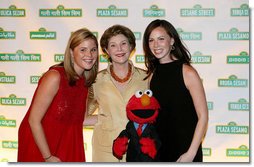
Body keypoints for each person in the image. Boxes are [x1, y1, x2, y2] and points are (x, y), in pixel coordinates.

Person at [17, 27, 99, 162]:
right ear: (72, 52)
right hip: (41, 144)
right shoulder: (55, 76)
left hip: (65, 140)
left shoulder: (84, 83)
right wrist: (48, 157)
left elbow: (81, 120)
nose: (89, 55)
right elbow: (33, 120)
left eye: (93, 50)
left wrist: (112, 116)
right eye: (83, 49)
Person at [143, 19, 208, 162]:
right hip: (160, 151)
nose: (155, 45)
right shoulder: (152, 76)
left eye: (161, 39)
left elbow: (203, 116)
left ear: (172, 41)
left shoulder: (187, 72)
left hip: (186, 151)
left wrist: (191, 153)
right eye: (151, 40)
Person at [86, 24, 148, 162]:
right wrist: (104, 119)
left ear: (131, 46)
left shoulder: (146, 78)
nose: (119, 49)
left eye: (123, 43)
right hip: (105, 150)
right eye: (113, 45)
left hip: (138, 147)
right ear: (106, 50)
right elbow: (82, 117)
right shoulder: (96, 80)